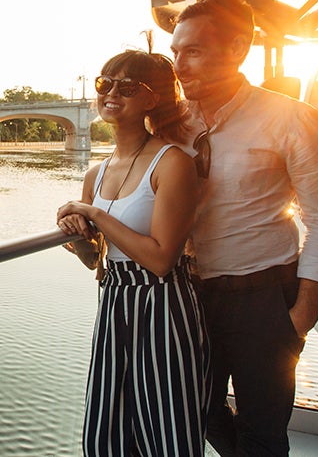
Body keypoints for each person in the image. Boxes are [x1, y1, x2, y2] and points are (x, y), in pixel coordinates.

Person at [169, 0, 318, 456]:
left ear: (237, 48)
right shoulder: (172, 126)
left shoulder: (290, 119)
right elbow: (128, 183)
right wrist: (82, 208)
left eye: (193, 51)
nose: (179, 67)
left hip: (264, 296)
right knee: (195, 411)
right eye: (175, 53)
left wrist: (303, 313)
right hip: (189, 297)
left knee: (264, 430)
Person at [57, 49, 210, 457]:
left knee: (166, 430)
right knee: (107, 430)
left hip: (162, 305)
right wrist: (76, 235)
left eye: (127, 87)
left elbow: (162, 259)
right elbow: (96, 259)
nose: (111, 94)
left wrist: (92, 213)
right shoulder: (97, 172)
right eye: (105, 84)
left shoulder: (173, 163)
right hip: (114, 301)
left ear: (152, 98)